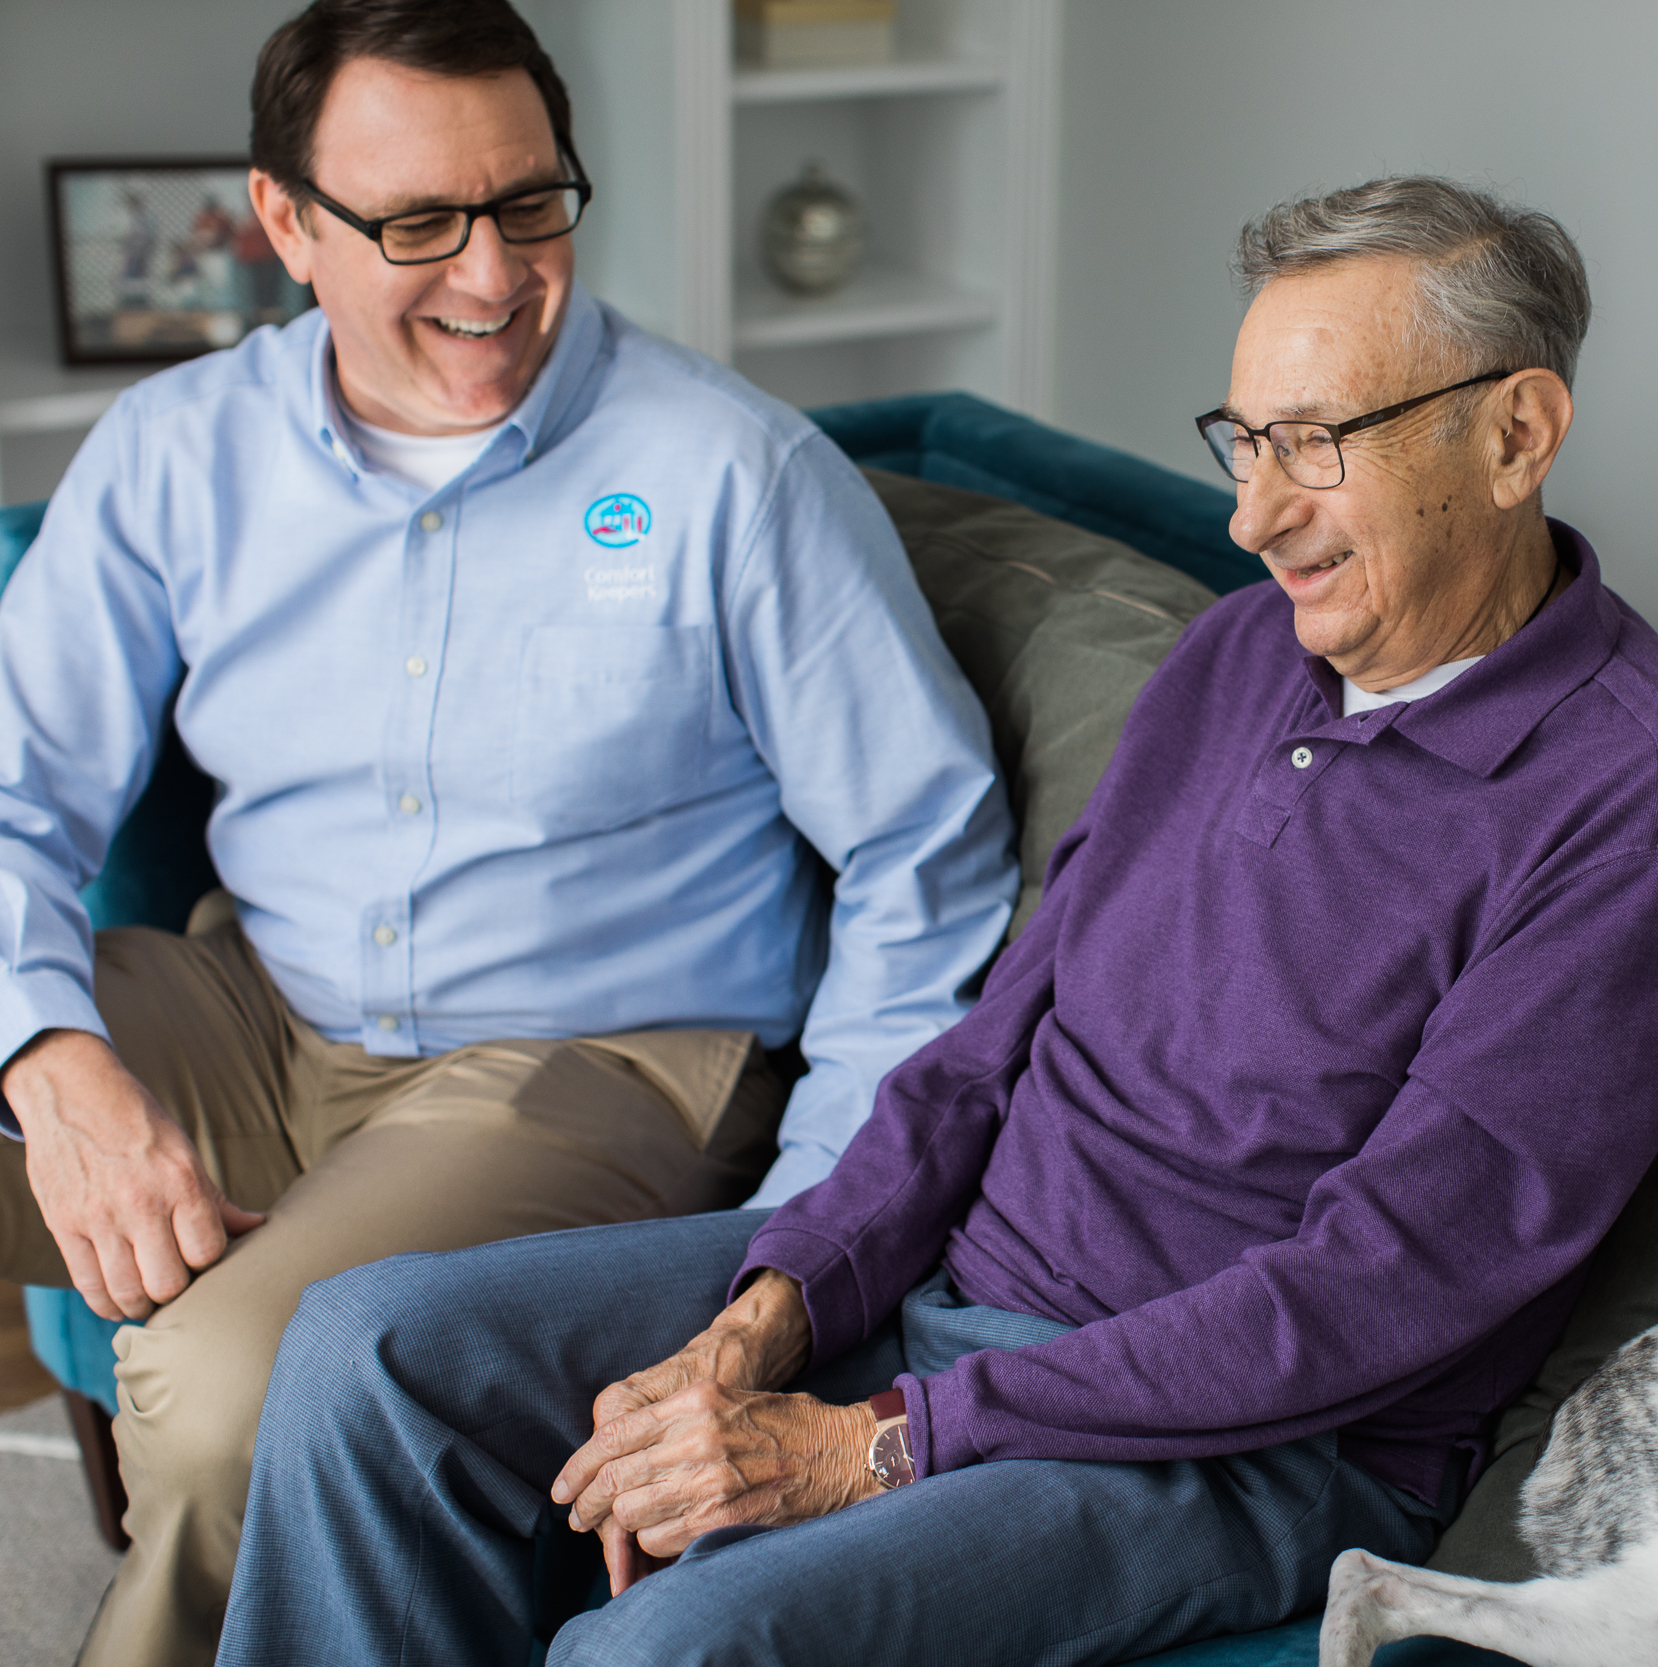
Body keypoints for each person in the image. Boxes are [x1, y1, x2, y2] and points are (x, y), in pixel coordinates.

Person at [214, 176, 1658, 1667]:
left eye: (1315, 445)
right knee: (371, 1354)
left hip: (1248, 1443)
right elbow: (986, 1048)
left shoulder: (1646, 797)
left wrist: (880, 1441)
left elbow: (1385, 1279)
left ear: (1517, 434)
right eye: (1244, 441)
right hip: (947, 1291)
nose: (1253, 517)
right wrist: (774, 1311)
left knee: (666, 1646)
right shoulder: (1242, 656)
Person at [0, 3, 1017, 1663]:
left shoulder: (733, 477)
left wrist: (812, 1248)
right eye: (415, 223)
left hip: (588, 1066)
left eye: (529, 204)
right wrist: (54, 1061)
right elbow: (10, 793)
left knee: (219, 1399)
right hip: (258, 1006)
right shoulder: (178, 454)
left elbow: (932, 859)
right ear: (284, 226)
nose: (489, 273)